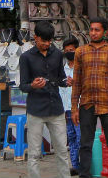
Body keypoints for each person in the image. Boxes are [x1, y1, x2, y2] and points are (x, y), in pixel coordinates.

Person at [71, 18, 108, 178]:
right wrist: (74, 107)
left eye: (97, 30)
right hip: (87, 103)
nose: (93, 33)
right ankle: (85, 174)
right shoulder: (80, 52)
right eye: (92, 30)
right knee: (85, 143)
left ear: (105, 32)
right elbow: (76, 82)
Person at [19, 21, 71, 178]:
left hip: (56, 108)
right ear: (36, 38)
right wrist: (33, 85)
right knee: (34, 153)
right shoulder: (26, 57)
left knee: (62, 150)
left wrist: (67, 82)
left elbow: (60, 79)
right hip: (36, 109)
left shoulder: (56, 54)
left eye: (50, 41)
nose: (47, 44)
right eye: (44, 41)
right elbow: (23, 85)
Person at [59, 37, 81, 176]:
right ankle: (75, 165)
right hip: (66, 109)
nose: (69, 53)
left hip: (78, 109)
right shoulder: (62, 70)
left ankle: (84, 165)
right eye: (66, 51)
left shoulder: (81, 68)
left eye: (71, 50)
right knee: (71, 138)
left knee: (80, 138)